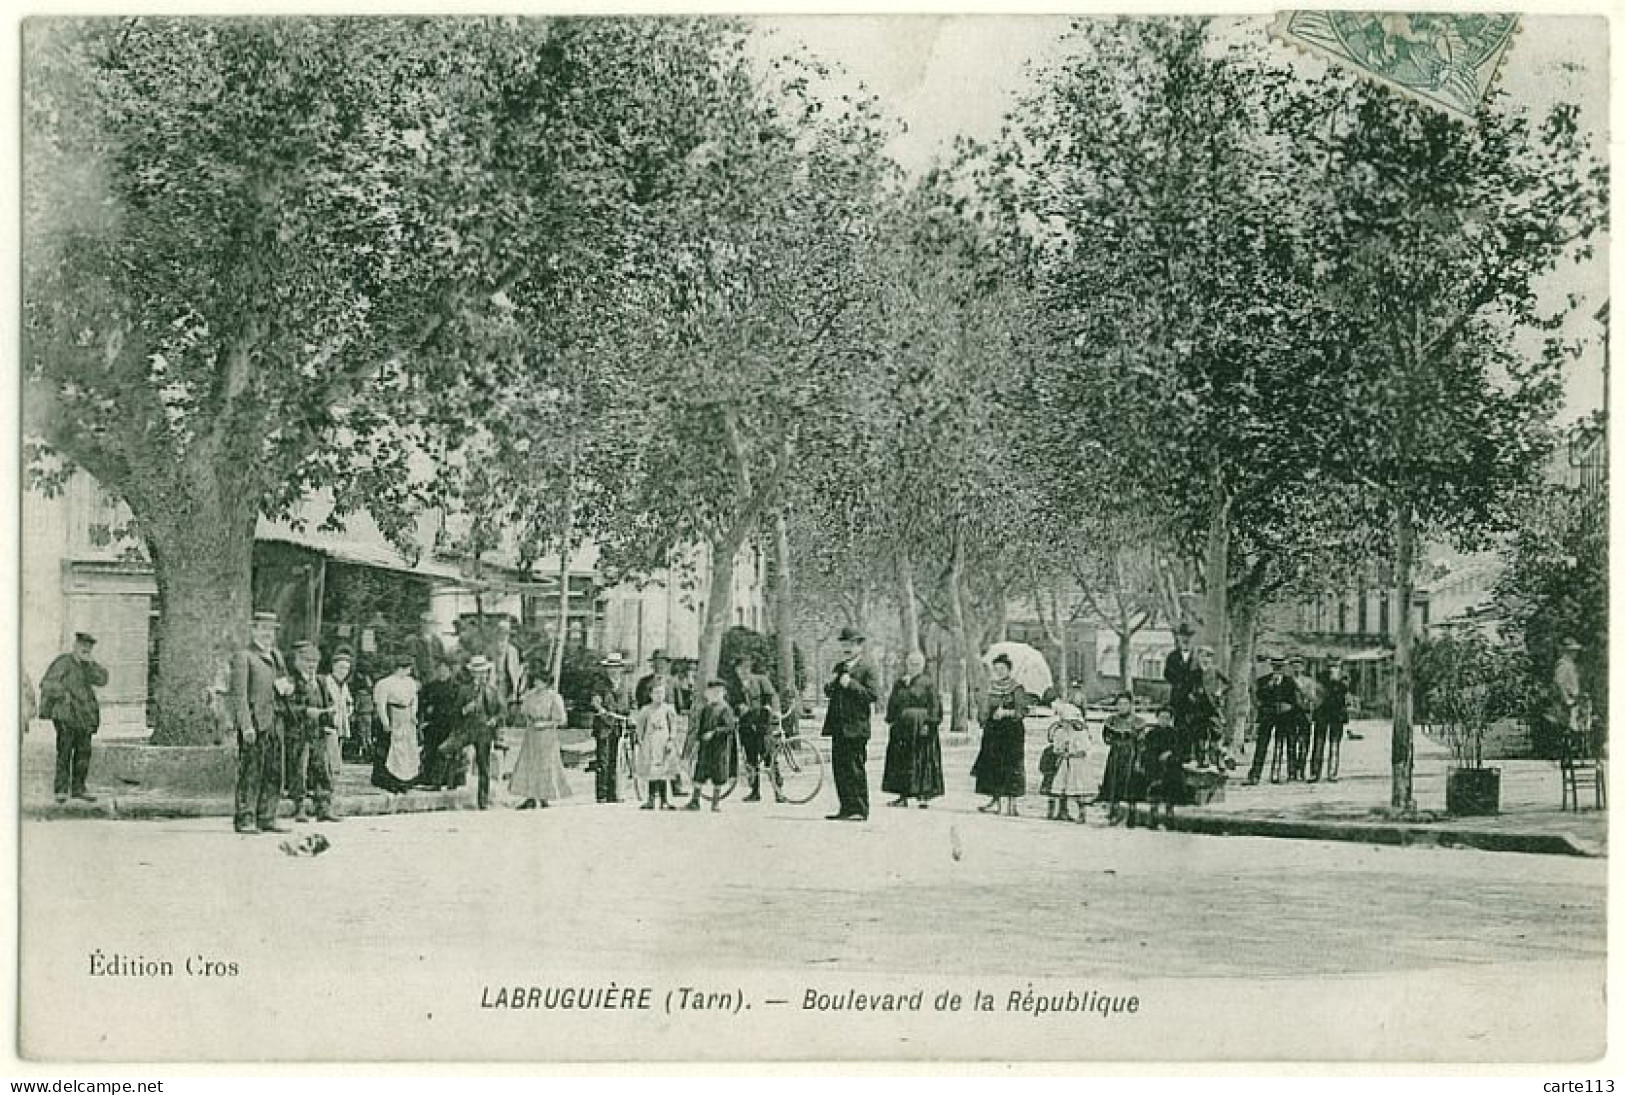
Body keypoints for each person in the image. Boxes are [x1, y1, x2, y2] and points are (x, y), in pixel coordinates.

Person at [228, 612, 292, 834]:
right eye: (263, 628)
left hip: (276, 720)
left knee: (275, 770)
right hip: (255, 721)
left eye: (271, 629)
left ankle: (267, 816)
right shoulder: (244, 656)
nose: (268, 634)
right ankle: (245, 817)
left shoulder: (276, 656)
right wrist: (245, 725)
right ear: (253, 630)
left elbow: (284, 684)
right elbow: (239, 695)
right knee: (251, 770)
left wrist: (287, 689)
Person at [39, 631, 108, 805]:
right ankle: (61, 790)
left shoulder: (89, 666)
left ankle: (79, 788)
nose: (85, 650)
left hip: (84, 716)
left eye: (89, 647)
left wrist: (92, 664)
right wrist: (63, 695)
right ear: (75, 646)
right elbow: (46, 683)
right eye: (83, 646)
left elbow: (102, 680)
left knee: (84, 752)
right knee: (64, 751)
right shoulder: (63, 662)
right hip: (66, 715)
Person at [822, 627, 878, 821]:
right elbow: (831, 693)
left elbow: (872, 695)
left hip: (856, 728)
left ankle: (860, 809)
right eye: (844, 644)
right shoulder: (840, 667)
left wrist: (850, 684)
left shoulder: (867, 667)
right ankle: (846, 808)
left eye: (851, 644)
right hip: (838, 727)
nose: (846, 648)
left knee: (855, 768)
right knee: (840, 769)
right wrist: (829, 685)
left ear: (859, 646)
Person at [881, 651, 944, 809]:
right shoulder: (900, 683)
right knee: (901, 759)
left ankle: (923, 795)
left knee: (922, 760)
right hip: (902, 728)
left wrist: (929, 724)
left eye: (917, 664)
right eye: (910, 663)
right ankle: (902, 795)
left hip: (921, 727)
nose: (913, 667)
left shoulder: (928, 683)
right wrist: (892, 719)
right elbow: (893, 703)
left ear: (922, 666)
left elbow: (934, 706)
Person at [286, 640, 339, 823]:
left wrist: (329, 712)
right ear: (297, 662)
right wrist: (305, 711)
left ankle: (323, 806)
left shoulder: (321, 682)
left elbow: (329, 702)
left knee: (320, 768)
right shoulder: (292, 682)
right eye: (307, 661)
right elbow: (288, 706)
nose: (311, 665)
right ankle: (299, 806)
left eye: (314, 662)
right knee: (298, 769)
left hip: (317, 732)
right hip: (298, 732)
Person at [971, 653, 1030, 817]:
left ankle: (1012, 803)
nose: (999, 672)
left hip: (1011, 732)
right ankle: (995, 801)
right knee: (993, 765)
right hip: (994, 732)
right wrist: (983, 716)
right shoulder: (991, 687)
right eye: (996, 669)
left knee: (1011, 765)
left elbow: (1022, 710)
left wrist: (1007, 712)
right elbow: (985, 707)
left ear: (1009, 670)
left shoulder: (1017, 688)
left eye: (1002, 669)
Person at [511, 669, 570, 809]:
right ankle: (530, 797)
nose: (538, 683)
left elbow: (562, 720)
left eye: (541, 680)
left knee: (546, 765)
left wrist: (546, 723)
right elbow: (523, 713)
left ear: (546, 682)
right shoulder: (530, 695)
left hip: (547, 735)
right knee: (529, 764)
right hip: (532, 735)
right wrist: (529, 720)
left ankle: (544, 797)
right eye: (536, 680)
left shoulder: (553, 697)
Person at [732, 652, 782, 803]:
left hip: (762, 725)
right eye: (740, 669)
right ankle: (754, 791)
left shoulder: (761, 680)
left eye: (746, 668)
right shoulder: (735, 687)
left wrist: (773, 710)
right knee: (751, 760)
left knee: (770, 758)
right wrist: (737, 709)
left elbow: (772, 696)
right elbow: (731, 704)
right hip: (746, 727)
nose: (743, 671)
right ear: (736, 670)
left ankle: (778, 792)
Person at [457, 655, 505, 809]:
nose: (481, 675)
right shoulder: (464, 690)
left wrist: (494, 720)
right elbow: (455, 711)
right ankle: (452, 786)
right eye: (478, 672)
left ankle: (482, 800)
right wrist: (465, 710)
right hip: (467, 730)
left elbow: (502, 711)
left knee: (484, 765)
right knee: (457, 758)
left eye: (484, 672)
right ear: (472, 674)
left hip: (484, 731)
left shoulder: (492, 690)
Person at [1245, 656, 1299, 786]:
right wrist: (1264, 698)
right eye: (1275, 667)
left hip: (1285, 717)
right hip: (1267, 716)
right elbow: (1256, 697)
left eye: (1280, 667)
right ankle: (1255, 774)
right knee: (1261, 745)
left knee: (1287, 744)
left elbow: (1295, 700)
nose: (1277, 670)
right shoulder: (1263, 681)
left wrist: (1289, 707)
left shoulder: (1290, 682)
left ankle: (1287, 773)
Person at [372, 655, 420, 793]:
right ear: (399, 668)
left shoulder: (410, 682)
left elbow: (414, 699)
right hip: (393, 713)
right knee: (392, 748)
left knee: (406, 747)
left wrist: (413, 714)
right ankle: (388, 778)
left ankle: (405, 778)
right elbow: (380, 704)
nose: (408, 671)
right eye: (406, 668)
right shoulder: (385, 683)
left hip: (406, 716)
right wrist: (385, 722)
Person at [688, 679, 737, 812]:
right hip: (705, 747)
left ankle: (715, 803)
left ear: (723, 693)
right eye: (712, 692)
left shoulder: (725, 709)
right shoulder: (707, 708)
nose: (715, 695)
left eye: (718, 692)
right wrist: (698, 740)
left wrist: (714, 733)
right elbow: (701, 726)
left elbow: (729, 727)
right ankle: (694, 800)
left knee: (718, 775)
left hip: (719, 748)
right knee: (700, 773)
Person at [590, 652, 632, 803]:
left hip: (619, 726)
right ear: (606, 670)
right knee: (603, 760)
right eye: (610, 668)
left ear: (621, 669)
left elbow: (631, 703)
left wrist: (631, 715)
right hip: (604, 726)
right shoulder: (600, 685)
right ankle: (602, 793)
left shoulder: (626, 685)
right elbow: (595, 701)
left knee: (617, 760)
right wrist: (600, 709)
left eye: (616, 667)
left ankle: (614, 793)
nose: (614, 671)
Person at [1099, 692, 1145, 826]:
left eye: (1125, 704)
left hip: (1131, 754)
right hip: (1116, 755)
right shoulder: (1112, 721)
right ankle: (1114, 810)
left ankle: (1130, 814)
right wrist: (1114, 740)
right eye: (1119, 704)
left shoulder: (1138, 722)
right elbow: (1106, 738)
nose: (1122, 707)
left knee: (1130, 783)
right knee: (1113, 781)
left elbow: (1141, 742)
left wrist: (1138, 758)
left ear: (1130, 705)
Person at [635, 679, 682, 810]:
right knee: (652, 772)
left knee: (663, 772)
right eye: (656, 693)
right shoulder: (646, 710)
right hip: (650, 743)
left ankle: (664, 800)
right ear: (650, 695)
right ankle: (650, 800)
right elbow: (640, 726)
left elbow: (673, 726)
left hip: (663, 743)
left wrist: (671, 740)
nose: (659, 696)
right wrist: (641, 740)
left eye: (661, 693)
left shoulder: (668, 709)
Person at [1046, 695, 1091, 823]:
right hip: (1064, 764)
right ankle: (1062, 811)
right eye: (1063, 721)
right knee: (1061, 786)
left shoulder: (1080, 734)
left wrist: (1071, 754)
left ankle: (1082, 813)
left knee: (1077, 788)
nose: (1065, 724)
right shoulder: (1060, 733)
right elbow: (1056, 747)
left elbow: (1084, 751)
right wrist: (1061, 752)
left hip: (1077, 764)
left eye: (1067, 722)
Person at [418, 658, 462, 790]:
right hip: (433, 725)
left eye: (445, 670)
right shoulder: (430, 687)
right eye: (440, 670)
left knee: (448, 752)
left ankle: (450, 780)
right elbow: (421, 704)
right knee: (430, 750)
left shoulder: (456, 687)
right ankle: (430, 778)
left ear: (450, 671)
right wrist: (423, 717)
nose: (442, 673)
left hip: (450, 724)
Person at [1142, 705, 1184, 829]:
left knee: (1173, 779)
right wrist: (1155, 756)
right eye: (1161, 717)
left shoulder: (1174, 733)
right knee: (1154, 782)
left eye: (1167, 718)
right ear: (1157, 718)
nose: (1164, 720)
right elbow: (1147, 749)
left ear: (1170, 719)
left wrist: (1170, 753)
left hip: (1170, 766)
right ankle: (1153, 813)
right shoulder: (1152, 733)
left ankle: (1169, 812)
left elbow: (1179, 750)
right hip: (1154, 765)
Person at [1186, 647, 1227, 770]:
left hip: (1213, 706)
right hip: (1198, 706)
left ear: (1211, 658)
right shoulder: (1194, 672)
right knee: (1200, 733)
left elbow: (1229, 683)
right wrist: (1190, 695)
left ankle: (1219, 759)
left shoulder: (1215, 670)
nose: (1205, 659)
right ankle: (1202, 759)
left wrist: (1220, 691)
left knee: (1216, 733)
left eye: (1207, 657)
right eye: (1202, 656)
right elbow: (1187, 687)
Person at [1309, 658, 1349, 782]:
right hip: (1323, 713)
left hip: (1337, 715)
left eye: (1336, 665)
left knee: (1334, 744)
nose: (1333, 668)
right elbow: (1317, 694)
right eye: (1331, 665)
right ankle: (1315, 773)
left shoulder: (1345, 679)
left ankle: (1332, 773)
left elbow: (1347, 695)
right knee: (1318, 744)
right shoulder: (1321, 678)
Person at [1163, 623, 1197, 760]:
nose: (1186, 639)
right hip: (1178, 697)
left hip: (1193, 697)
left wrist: (1194, 691)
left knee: (1193, 725)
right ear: (1178, 638)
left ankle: (1191, 753)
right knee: (1178, 724)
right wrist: (1178, 684)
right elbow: (1166, 674)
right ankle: (1178, 752)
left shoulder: (1197, 656)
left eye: (1188, 636)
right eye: (1183, 636)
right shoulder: (1172, 656)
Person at [321, 647, 358, 774]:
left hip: (341, 719)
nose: (344, 671)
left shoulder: (344, 685)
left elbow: (349, 701)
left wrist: (348, 710)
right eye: (341, 667)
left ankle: (334, 771)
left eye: (347, 669)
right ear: (333, 667)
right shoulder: (326, 681)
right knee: (328, 748)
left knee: (338, 744)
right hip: (329, 719)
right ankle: (328, 772)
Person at [1286, 656, 1316, 782]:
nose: (1296, 668)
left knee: (1304, 744)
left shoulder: (1308, 682)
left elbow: (1313, 698)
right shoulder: (1287, 681)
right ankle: (1292, 771)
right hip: (1291, 715)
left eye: (1299, 665)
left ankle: (1301, 770)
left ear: (1303, 667)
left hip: (1304, 714)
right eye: (1293, 665)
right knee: (1291, 744)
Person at [409, 612, 446, 687]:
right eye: (425, 622)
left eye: (431, 623)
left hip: (434, 677)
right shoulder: (413, 640)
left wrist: (440, 675)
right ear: (421, 624)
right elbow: (412, 659)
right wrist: (416, 677)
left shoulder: (437, 641)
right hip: (420, 677)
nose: (428, 626)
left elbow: (441, 660)